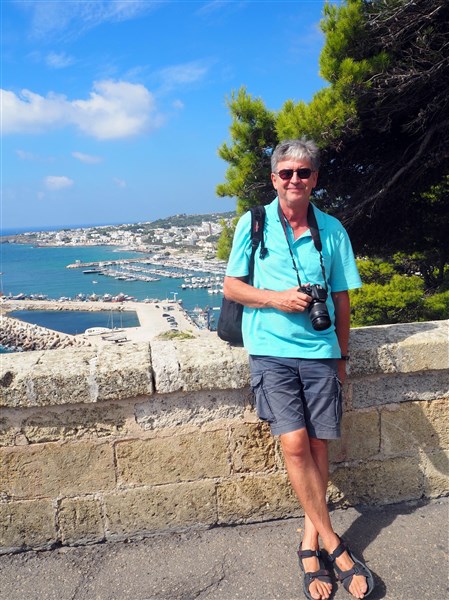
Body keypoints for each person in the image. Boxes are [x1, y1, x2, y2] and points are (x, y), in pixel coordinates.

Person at [223, 138, 374, 600]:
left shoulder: (332, 229)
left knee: (318, 443)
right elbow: (232, 287)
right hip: (270, 350)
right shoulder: (253, 223)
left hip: (320, 352)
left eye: (303, 172)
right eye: (286, 172)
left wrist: (342, 356)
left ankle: (310, 541)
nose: (294, 180)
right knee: (294, 444)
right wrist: (277, 299)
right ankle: (334, 544)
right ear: (274, 179)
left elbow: (342, 298)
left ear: (315, 179)